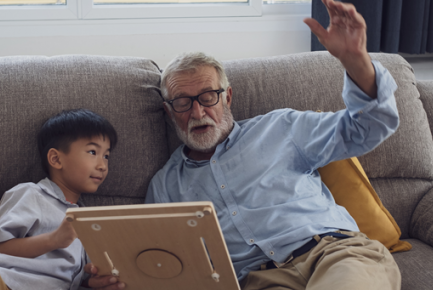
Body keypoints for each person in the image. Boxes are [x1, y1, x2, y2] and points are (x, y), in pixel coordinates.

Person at [85, 0, 401, 289]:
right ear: (169, 112)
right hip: (259, 281)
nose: (198, 112)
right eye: (182, 102)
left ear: (228, 97)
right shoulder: (165, 187)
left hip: (334, 254)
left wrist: (356, 61)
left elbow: (367, 128)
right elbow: (159, 265)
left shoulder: (281, 128)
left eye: (208, 97)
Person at [0, 109, 118, 290]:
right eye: (93, 152)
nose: (102, 165)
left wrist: (90, 281)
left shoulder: (88, 220)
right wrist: (54, 240)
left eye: (106, 156)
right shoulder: (31, 194)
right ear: (56, 159)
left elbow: (72, 275)